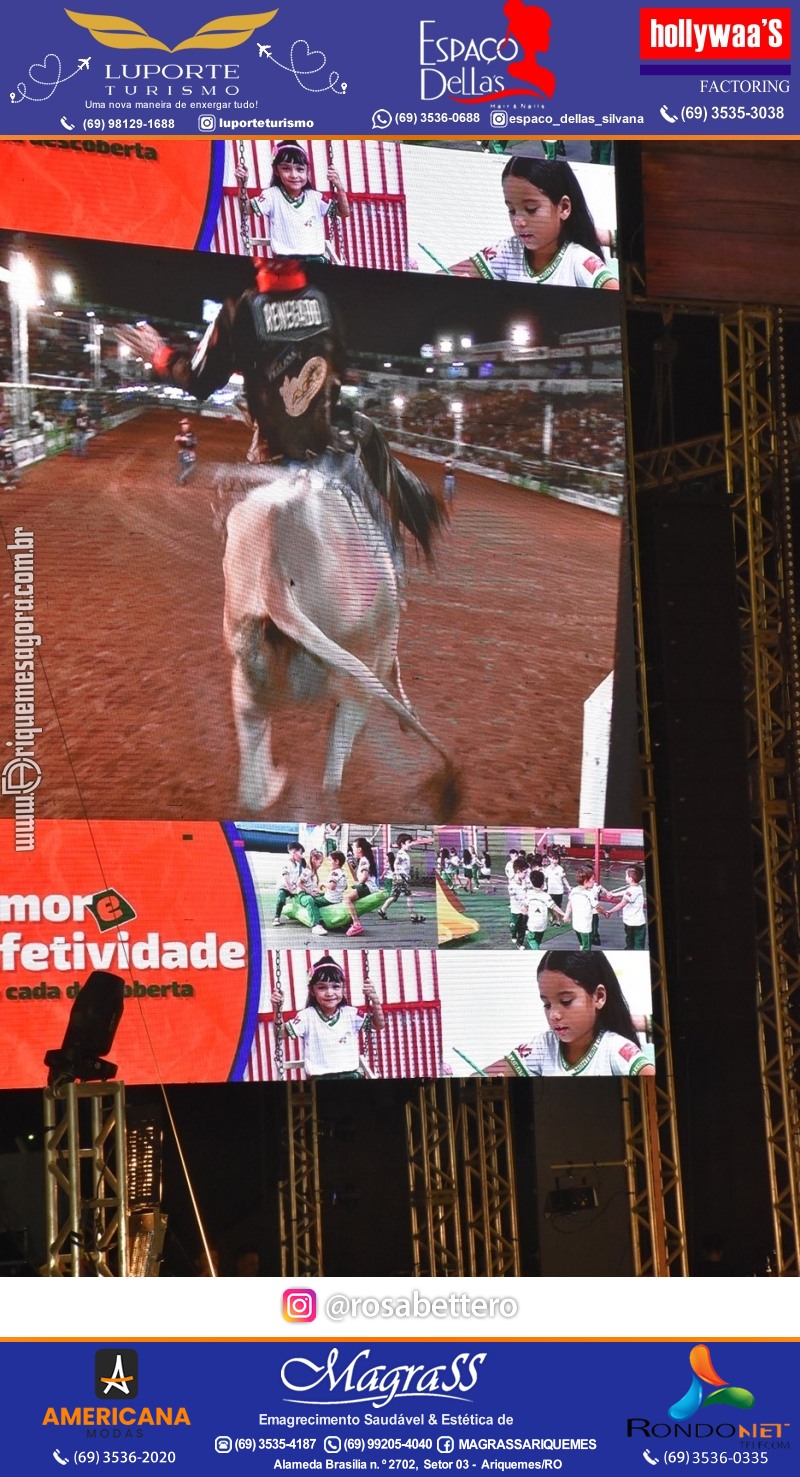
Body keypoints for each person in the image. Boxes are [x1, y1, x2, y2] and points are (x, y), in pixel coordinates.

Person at [448, 157, 618, 289]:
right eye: (511, 210)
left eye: (531, 209)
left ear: (564, 207)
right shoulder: (508, 251)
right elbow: (454, 272)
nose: (518, 222)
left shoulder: (578, 259)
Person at [482, 950, 655, 1078]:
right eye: (547, 1004)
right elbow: (488, 1073)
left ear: (599, 997)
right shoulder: (543, 1045)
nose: (554, 1015)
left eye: (566, 1001)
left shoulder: (615, 1048)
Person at [272, 953, 384, 1079]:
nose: (329, 993)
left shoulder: (351, 1014)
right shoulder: (307, 1017)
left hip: (351, 1075)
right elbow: (280, 1034)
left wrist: (375, 999)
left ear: (343, 989)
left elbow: (378, 1025)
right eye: (322, 987)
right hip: (320, 1077)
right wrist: (277, 1008)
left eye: (336, 987)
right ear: (312, 991)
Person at [235, 139, 351, 261]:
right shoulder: (272, 196)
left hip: (317, 259)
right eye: (286, 169)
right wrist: (242, 184)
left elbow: (344, 212)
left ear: (307, 171)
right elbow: (246, 210)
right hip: (287, 261)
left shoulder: (316, 198)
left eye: (300, 169)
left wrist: (340, 187)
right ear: (276, 171)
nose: (294, 175)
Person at [378, 833, 427, 924]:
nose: (411, 844)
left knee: (394, 897)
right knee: (409, 896)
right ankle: (413, 916)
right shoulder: (402, 854)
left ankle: (382, 910)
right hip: (401, 878)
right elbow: (396, 864)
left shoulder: (403, 854)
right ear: (402, 844)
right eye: (409, 842)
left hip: (398, 877)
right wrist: (402, 874)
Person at [601, 865, 648, 950]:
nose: (625, 877)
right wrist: (613, 894)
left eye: (626, 875)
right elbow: (625, 892)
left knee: (634, 941)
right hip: (636, 922)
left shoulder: (632, 890)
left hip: (633, 923)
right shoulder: (637, 888)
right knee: (635, 941)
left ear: (631, 878)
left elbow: (622, 903)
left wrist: (610, 911)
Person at [343, 836, 379, 938]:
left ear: (359, 849)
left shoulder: (363, 860)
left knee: (347, 898)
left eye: (354, 848)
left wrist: (358, 883)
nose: (353, 850)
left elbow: (363, 877)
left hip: (367, 886)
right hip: (369, 886)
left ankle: (356, 923)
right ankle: (349, 921)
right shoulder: (365, 859)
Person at [524, 867, 564, 949]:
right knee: (537, 941)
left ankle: (536, 952)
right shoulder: (546, 896)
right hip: (542, 924)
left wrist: (526, 912)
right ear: (543, 884)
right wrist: (564, 914)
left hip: (533, 924)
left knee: (531, 940)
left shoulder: (529, 894)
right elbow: (554, 907)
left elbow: (524, 907)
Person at [295, 847, 329, 936]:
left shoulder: (315, 872)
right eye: (320, 862)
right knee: (310, 900)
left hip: (313, 894)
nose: (320, 865)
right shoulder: (307, 871)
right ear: (313, 859)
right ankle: (316, 925)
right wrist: (309, 892)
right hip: (303, 896)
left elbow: (312, 885)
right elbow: (298, 883)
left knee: (327, 896)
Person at [562, 866, 596, 951]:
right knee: (587, 947)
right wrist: (606, 912)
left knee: (582, 944)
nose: (594, 881)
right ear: (586, 881)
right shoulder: (589, 894)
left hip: (576, 925)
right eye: (593, 879)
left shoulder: (574, 890)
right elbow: (597, 907)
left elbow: (570, 904)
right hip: (585, 927)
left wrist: (566, 915)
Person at [273, 841, 305, 926]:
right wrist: (291, 890)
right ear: (294, 852)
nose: (301, 855)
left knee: (303, 898)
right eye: (301, 853)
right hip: (284, 887)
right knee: (281, 900)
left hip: (294, 888)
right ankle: (276, 917)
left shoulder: (298, 864)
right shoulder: (286, 863)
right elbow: (286, 877)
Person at [508, 854, 530, 949]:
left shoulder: (526, 880)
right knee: (514, 925)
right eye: (524, 872)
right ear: (518, 871)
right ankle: (513, 934)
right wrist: (522, 905)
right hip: (516, 909)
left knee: (523, 926)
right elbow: (514, 898)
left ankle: (520, 942)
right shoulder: (512, 884)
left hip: (524, 908)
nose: (526, 874)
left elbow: (529, 891)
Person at [174, 417, 197, 485]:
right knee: (191, 466)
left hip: (187, 452)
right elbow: (175, 439)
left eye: (185, 424)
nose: (184, 425)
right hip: (185, 452)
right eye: (183, 424)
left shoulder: (191, 433)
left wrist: (187, 439)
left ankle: (182, 480)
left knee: (185, 468)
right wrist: (182, 438)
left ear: (188, 425)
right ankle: (180, 478)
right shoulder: (180, 432)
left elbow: (194, 442)